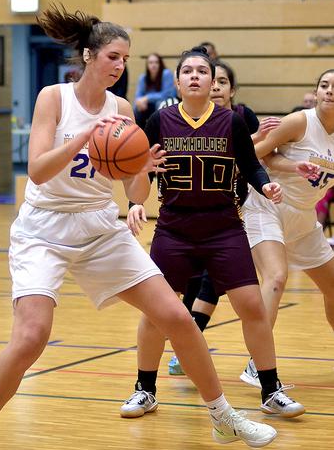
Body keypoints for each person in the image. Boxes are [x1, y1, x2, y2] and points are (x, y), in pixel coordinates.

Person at [0, 6, 278, 450]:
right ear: (88, 56)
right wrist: (85, 137)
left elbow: (132, 184)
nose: (121, 67)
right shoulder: (53, 98)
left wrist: (142, 166)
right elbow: (40, 171)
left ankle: (223, 416)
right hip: (44, 229)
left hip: (100, 227)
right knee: (30, 337)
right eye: (113, 57)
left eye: (125, 59)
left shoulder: (121, 108)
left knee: (178, 318)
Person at [121, 46, 304, 421]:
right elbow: (142, 174)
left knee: (251, 305)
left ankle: (271, 389)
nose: (194, 76)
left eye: (201, 71)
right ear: (177, 81)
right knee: (157, 312)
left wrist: (265, 185)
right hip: (174, 229)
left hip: (224, 228)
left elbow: (252, 165)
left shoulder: (231, 122)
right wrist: (137, 201)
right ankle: (145, 389)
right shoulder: (159, 121)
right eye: (186, 71)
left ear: (212, 80)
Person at [169, 60, 280, 375]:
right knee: (202, 284)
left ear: (232, 89)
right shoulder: (189, 119)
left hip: (237, 210)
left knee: (213, 283)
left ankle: (189, 348)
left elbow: (254, 157)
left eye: (222, 82)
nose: (215, 86)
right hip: (196, 215)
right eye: (212, 80)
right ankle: (187, 348)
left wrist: (258, 139)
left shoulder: (241, 118)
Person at [240, 68, 334, 387]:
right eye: (324, 85)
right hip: (269, 206)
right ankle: (257, 364)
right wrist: (295, 166)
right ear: (316, 91)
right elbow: (255, 156)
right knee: (276, 278)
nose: (329, 91)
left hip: (305, 219)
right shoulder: (300, 122)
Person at [134, 53, 176, 128]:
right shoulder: (143, 77)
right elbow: (138, 97)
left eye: (156, 62)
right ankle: (139, 134)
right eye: (150, 62)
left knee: (159, 104)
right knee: (137, 108)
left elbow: (166, 95)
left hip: (165, 103)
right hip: (148, 106)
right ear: (147, 65)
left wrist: (147, 98)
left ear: (160, 64)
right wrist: (139, 103)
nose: (154, 65)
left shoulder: (166, 74)